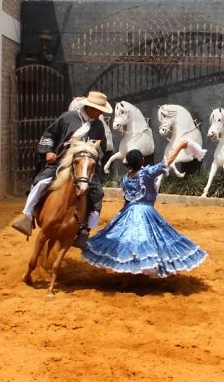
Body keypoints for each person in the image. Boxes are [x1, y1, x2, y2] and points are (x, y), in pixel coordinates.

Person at [82, 140, 208, 278]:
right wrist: (180, 146)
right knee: (153, 240)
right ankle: (147, 269)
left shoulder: (124, 178)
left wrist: (121, 216)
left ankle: (128, 275)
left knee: (129, 241)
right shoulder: (147, 173)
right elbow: (167, 162)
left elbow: (127, 200)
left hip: (128, 211)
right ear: (142, 160)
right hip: (146, 211)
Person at [11, 91, 112, 248]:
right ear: (89, 107)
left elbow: (102, 147)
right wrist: (48, 151)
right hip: (61, 163)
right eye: (98, 109)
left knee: (98, 193)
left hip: (84, 167)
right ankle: (27, 216)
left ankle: (85, 230)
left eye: (101, 110)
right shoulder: (68, 117)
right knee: (41, 182)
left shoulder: (98, 125)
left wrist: (92, 154)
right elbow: (49, 134)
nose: (99, 113)